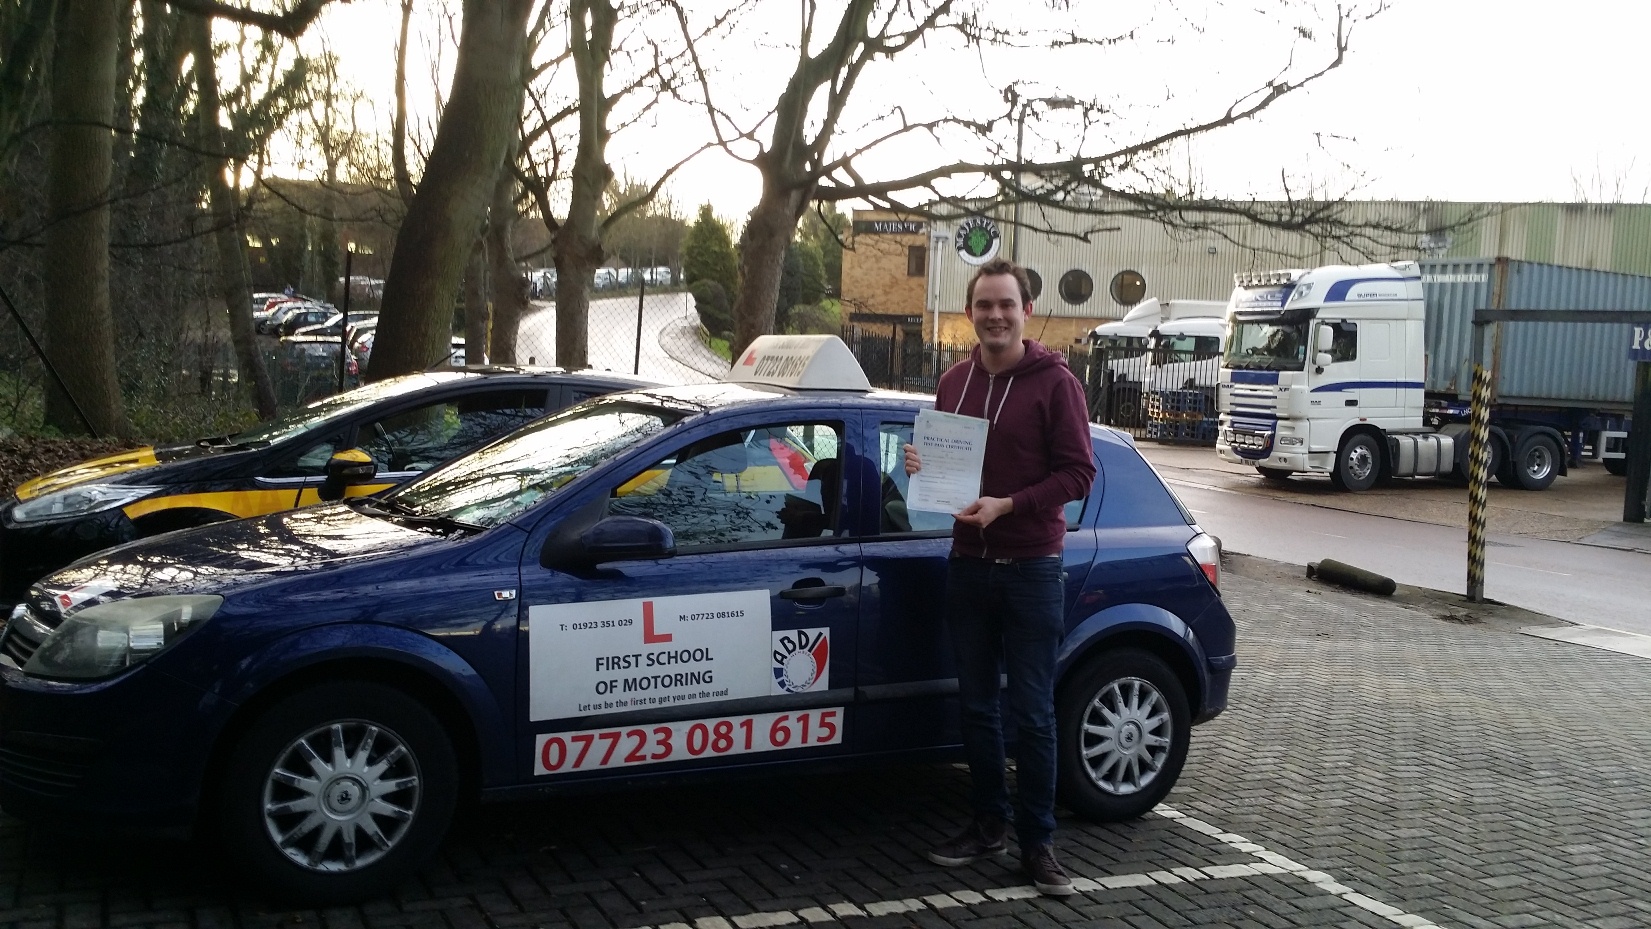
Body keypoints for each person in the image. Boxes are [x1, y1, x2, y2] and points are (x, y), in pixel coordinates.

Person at [903, 257, 1096, 896]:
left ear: (1025, 311)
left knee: (1033, 712)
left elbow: (1079, 474)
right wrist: (918, 465)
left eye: (1006, 305)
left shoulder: (1056, 384)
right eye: (984, 305)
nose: (995, 315)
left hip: (1032, 568)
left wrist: (1009, 506)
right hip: (968, 564)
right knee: (977, 707)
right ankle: (989, 825)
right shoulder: (953, 383)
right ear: (970, 313)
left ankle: (1038, 843)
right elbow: (943, 471)